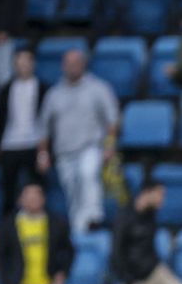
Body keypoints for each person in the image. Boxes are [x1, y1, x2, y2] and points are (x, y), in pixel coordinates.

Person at [38, 49, 120, 234]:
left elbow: (112, 120)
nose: (72, 67)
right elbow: (43, 127)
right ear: (62, 66)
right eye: (68, 64)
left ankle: (94, 219)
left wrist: (109, 146)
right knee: (72, 192)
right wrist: (42, 154)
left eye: (75, 63)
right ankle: (80, 232)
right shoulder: (54, 94)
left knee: (87, 176)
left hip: (90, 147)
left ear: (83, 64)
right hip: (64, 152)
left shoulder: (98, 88)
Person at [0, 48, 48, 207]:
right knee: (8, 191)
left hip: (34, 144)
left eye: (27, 61)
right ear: (14, 64)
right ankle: (8, 225)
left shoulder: (43, 89)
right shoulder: (5, 90)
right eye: (19, 61)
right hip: (10, 144)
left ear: (33, 64)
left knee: (38, 188)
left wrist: (44, 150)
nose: (23, 65)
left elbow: (47, 120)